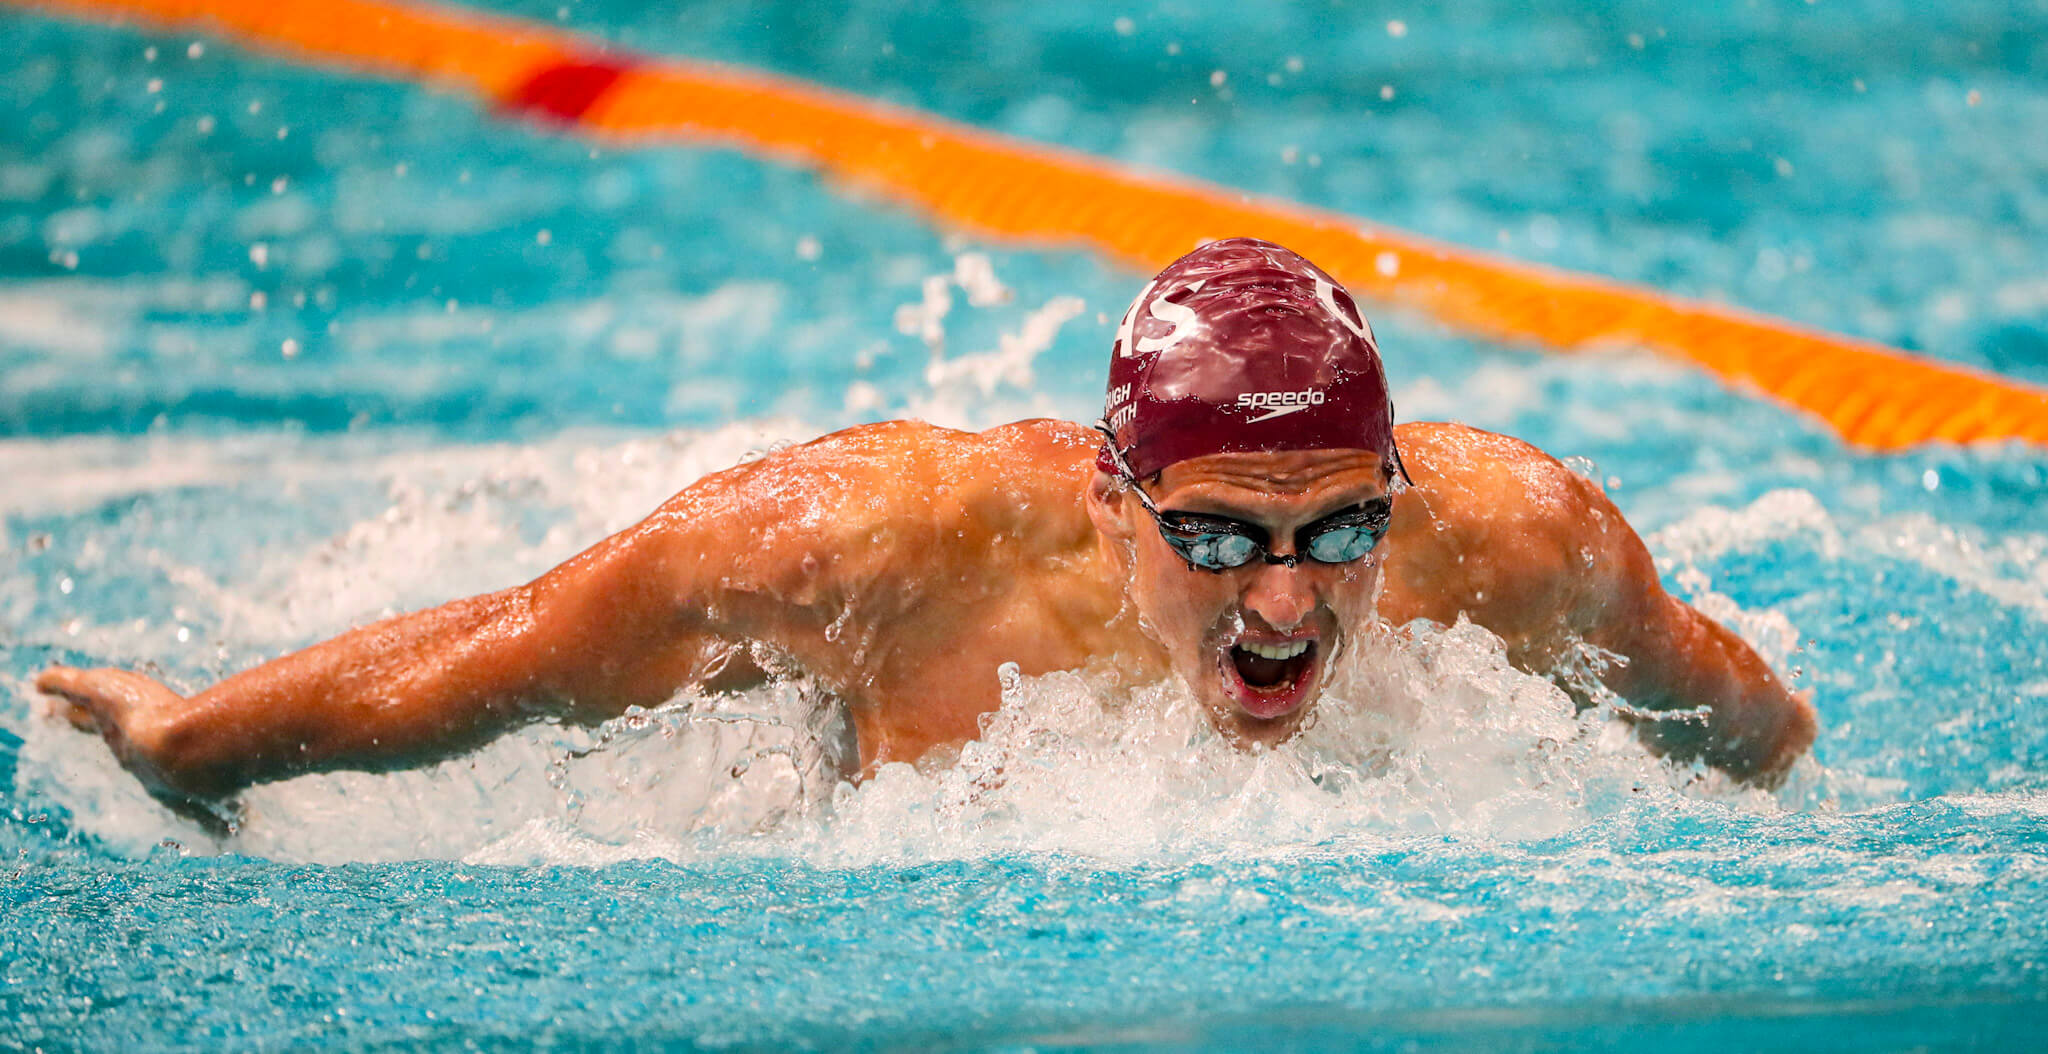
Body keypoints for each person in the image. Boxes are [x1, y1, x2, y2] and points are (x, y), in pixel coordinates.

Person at [39, 238, 1816, 817]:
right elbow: (504, 653)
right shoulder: (868, 544)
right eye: (1216, 540)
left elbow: (1748, 729)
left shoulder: (1519, 537)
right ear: (1112, 508)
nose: (1287, 596)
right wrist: (192, 735)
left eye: (1338, 531)